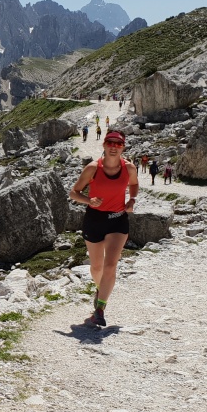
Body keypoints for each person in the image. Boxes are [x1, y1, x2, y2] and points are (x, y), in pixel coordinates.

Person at [70, 130, 138, 328]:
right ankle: (100, 288)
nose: (114, 147)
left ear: (123, 147)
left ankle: (100, 309)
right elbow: (74, 193)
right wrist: (89, 200)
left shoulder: (129, 168)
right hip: (94, 219)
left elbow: (134, 184)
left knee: (110, 266)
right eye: (110, 143)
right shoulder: (93, 168)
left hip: (118, 220)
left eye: (118, 144)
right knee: (96, 267)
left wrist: (132, 199)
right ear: (104, 145)